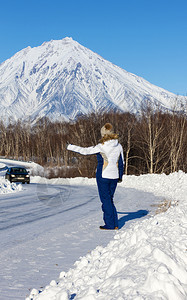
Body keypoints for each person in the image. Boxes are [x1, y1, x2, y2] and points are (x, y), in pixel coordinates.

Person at [67, 123, 124, 230]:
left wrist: (70, 147)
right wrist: (120, 176)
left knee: (105, 200)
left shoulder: (101, 146)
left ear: (103, 134)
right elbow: (121, 162)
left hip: (103, 176)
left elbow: (85, 151)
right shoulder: (119, 146)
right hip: (115, 176)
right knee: (110, 199)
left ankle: (110, 224)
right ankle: (115, 223)